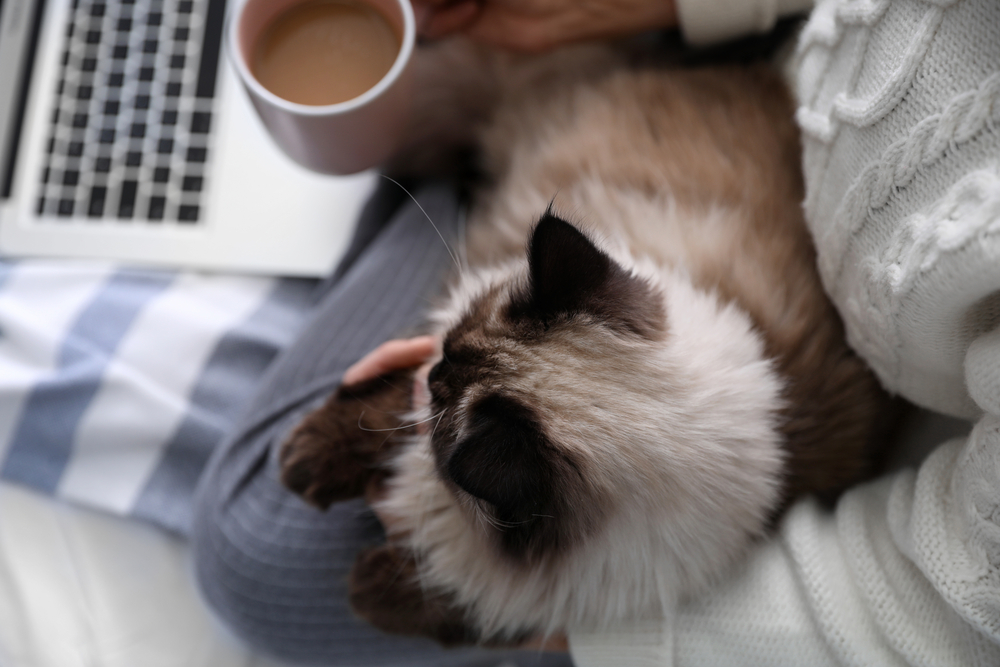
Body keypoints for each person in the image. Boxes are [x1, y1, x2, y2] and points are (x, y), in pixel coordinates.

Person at [191, 0, 1000, 665]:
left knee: (265, 556)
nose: (434, 372)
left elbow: (951, 604)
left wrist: (555, 622)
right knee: (267, 547)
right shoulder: (580, 335)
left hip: (720, 188)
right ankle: (415, 183)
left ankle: (413, 189)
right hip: (718, 89)